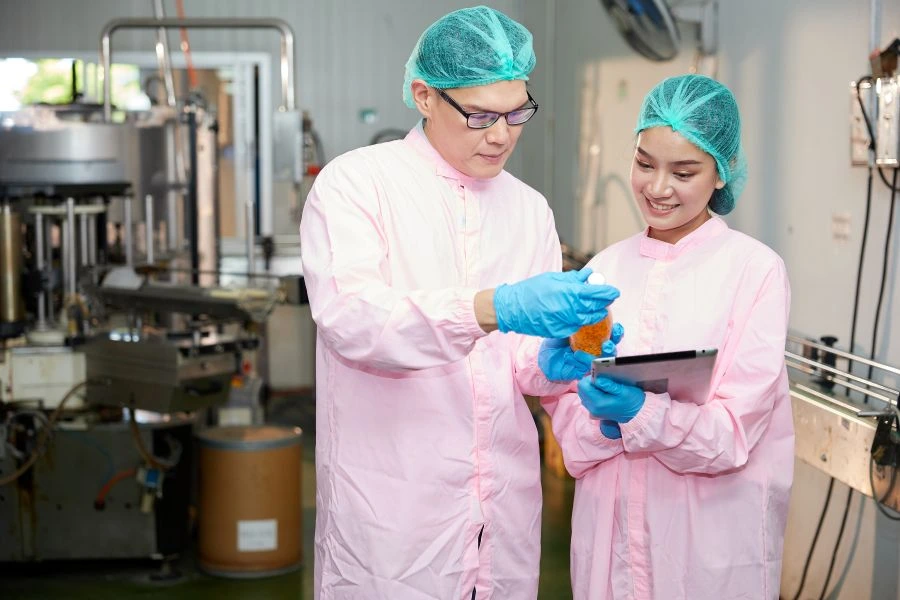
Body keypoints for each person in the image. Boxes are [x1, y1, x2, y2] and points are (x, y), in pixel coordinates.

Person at [299, 7, 619, 599]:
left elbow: (514, 360)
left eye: (516, 112)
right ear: (424, 95)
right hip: (395, 515)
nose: (501, 134)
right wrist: (489, 307)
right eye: (479, 115)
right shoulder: (356, 185)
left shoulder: (528, 209)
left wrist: (552, 360)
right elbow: (354, 321)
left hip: (502, 510)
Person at [544, 74, 794, 599]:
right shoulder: (605, 270)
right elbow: (567, 421)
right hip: (609, 547)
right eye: (643, 163)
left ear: (721, 174)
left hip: (707, 549)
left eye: (684, 171)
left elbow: (734, 435)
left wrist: (643, 415)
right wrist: (597, 424)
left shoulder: (754, 272)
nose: (657, 188)